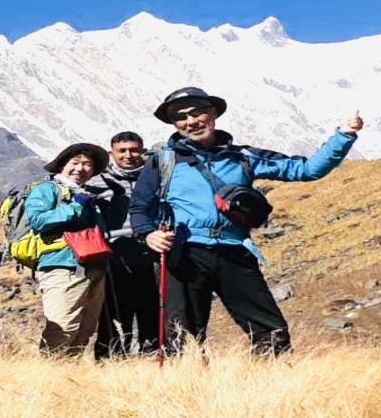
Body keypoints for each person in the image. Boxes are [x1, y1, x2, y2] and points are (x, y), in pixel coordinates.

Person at [129, 87, 363, 356]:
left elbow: (307, 169)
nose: (190, 121)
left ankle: (265, 390)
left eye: (197, 112)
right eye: (180, 117)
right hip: (183, 253)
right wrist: (148, 234)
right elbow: (139, 207)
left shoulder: (244, 157)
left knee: (271, 333)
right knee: (183, 338)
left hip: (234, 251)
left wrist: (345, 134)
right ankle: (187, 391)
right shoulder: (163, 160)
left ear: (213, 114)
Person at [24, 142, 111, 356]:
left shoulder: (86, 194)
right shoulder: (47, 189)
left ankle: (68, 380)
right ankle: (49, 378)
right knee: (62, 328)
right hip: (62, 266)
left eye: (87, 164)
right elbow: (38, 220)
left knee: (84, 330)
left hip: (93, 267)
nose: (80, 169)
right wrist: (76, 206)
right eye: (75, 163)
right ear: (62, 165)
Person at [87, 131, 158, 359]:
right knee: (116, 314)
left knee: (152, 310)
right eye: (122, 151)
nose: (129, 155)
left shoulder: (156, 177)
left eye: (134, 150)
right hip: (113, 256)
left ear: (142, 150)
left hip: (151, 253)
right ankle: (110, 360)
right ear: (111, 153)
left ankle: (152, 355)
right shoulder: (95, 180)